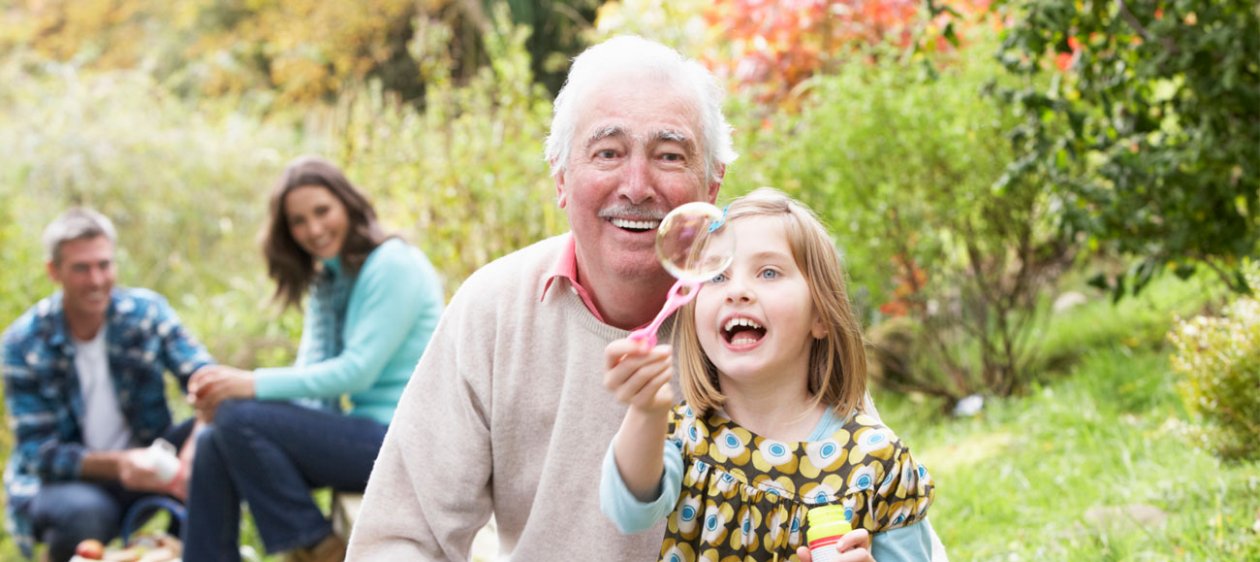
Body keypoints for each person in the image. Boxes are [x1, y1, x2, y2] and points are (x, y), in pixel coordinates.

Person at [346, 35, 737, 560]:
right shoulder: (495, 307)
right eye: (607, 152)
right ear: (561, 178)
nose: (637, 185)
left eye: (669, 155)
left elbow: (854, 479)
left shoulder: (761, 309)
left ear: (712, 186)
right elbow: (401, 536)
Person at [599, 188, 937, 561]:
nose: (738, 291)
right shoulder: (685, 436)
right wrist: (646, 412)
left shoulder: (877, 462)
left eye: (769, 272)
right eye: (717, 277)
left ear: (821, 316)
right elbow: (629, 512)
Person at [180, 156, 445, 562]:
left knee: (237, 415)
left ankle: (317, 546)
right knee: (219, 436)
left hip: (406, 445)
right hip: (366, 436)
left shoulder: (394, 264)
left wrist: (248, 388)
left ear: (348, 205)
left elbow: (357, 372)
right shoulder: (332, 278)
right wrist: (229, 412)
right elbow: (311, 375)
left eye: (322, 211)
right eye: (298, 221)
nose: (314, 229)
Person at [2, 207, 213, 562]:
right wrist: (121, 464)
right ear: (54, 272)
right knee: (87, 513)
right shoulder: (22, 343)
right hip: (64, 485)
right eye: (81, 268)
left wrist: (194, 448)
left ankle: (186, 553)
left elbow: (209, 380)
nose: (97, 280)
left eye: (104, 265)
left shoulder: (146, 313)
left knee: (219, 440)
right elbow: (40, 452)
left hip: (149, 463)